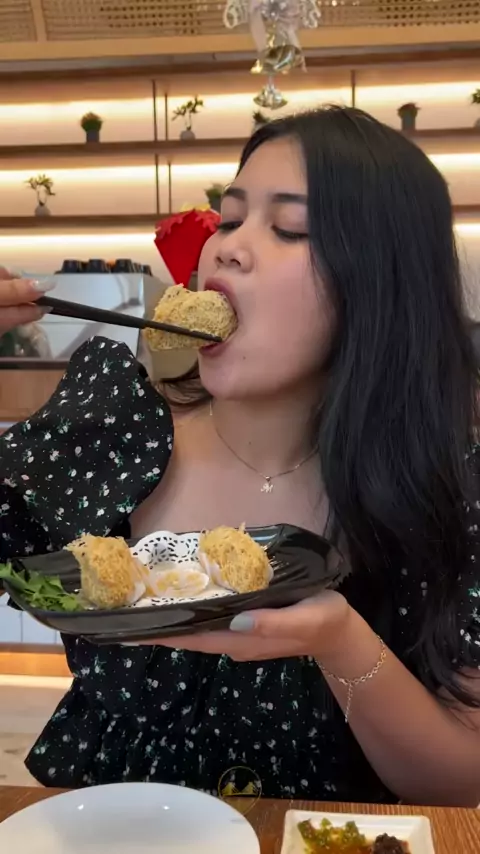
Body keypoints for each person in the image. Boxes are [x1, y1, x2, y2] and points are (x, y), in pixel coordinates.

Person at [1, 106, 480, 807]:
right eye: (229, 220)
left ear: (381, 285)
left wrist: (341, 641)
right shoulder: (110, 430)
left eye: (289, 228)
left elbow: (459, 780)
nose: (226, 249)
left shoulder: (442, 490)